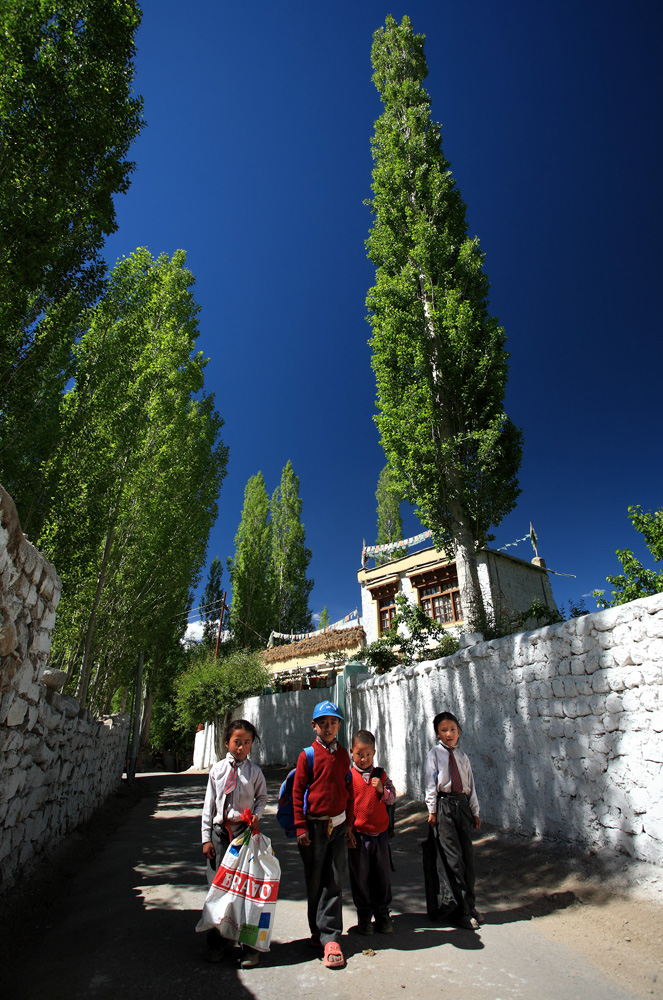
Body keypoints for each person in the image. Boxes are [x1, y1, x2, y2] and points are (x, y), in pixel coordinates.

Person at [293, 700, 355, 970]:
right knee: (315, 880)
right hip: (314, 828)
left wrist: (350, 824)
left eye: (334, 722)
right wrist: (300, 827)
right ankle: (317, 931)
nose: (329, 727)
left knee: (335, 880)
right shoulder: (307, 755)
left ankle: (331, 936)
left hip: (338, 826)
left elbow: (348, 789)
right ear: (314, 725)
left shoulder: (343, 755)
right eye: (324, 723)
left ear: (340, 725)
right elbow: (297, 793)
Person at [201, 719, 267, 967]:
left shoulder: (255, 773)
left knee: (247, 891)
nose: (241, 747)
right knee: (219, 890)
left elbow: (261, 798)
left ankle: (249, 947)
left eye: (246, 742)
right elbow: (208, 807)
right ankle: (217, 944)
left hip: (245, 836)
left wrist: (256, 817)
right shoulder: (217, 771)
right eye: (237, 742)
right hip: (220, 836)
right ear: (227, 742)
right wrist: (206, 839)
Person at [424, 710, 482, 930]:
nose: (449, 734)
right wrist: (432, 811)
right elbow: (431, 784)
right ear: (437, 733)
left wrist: (475, 811)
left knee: (467, 857)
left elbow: (471, 785)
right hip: (444, 806)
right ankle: (461, 910)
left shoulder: (462, 756)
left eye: (453, 729)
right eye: (444, 730)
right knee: (453, 859)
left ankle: (470, 904)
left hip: (462, 806)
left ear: (459, 731)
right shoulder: (435, 755)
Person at [347, 729, 396, 935]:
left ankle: (383, 915)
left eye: (368, 754)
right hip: (358, 837)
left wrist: (381, 791)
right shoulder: (349, 777)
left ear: (374, 752)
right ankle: (364, 918)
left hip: (380, 836)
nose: (364, 759)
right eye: (359, 754)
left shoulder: (381, 775)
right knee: (361, 877)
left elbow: (392, 798)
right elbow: (345, 805)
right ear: (352, 752)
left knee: (382, 876)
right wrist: (348, 830)